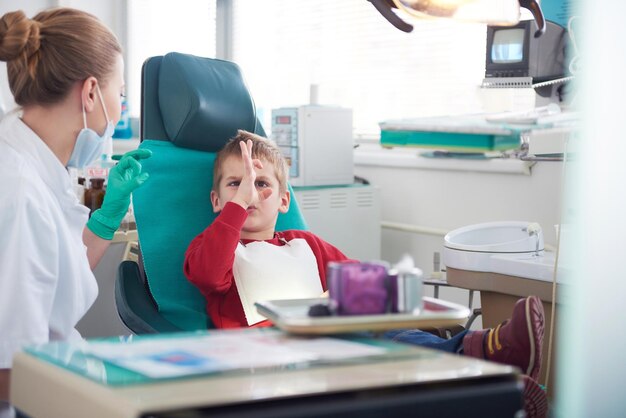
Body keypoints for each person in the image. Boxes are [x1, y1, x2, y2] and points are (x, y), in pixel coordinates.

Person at [184, 130, 548, 417]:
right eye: (237, 183)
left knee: (393, 337)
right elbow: (207, 273)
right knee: (384, 353)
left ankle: (490, 366)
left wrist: (394, 289)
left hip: (333, 342)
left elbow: (359, 280)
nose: (250, 192)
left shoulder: (305, 244)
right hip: (270, 359)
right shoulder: (214, 247)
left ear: (283, 200)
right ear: (217, 201)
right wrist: (235, 209)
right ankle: (490, 364)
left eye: (261, 184)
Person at [0, 8, 151, 416]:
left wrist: (106, 213)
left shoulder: (32, 161)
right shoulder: (20, 191)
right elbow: (10, 370)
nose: (118, 108)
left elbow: (57, 269)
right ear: (89, 93)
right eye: (119, 94)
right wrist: (111, 389)